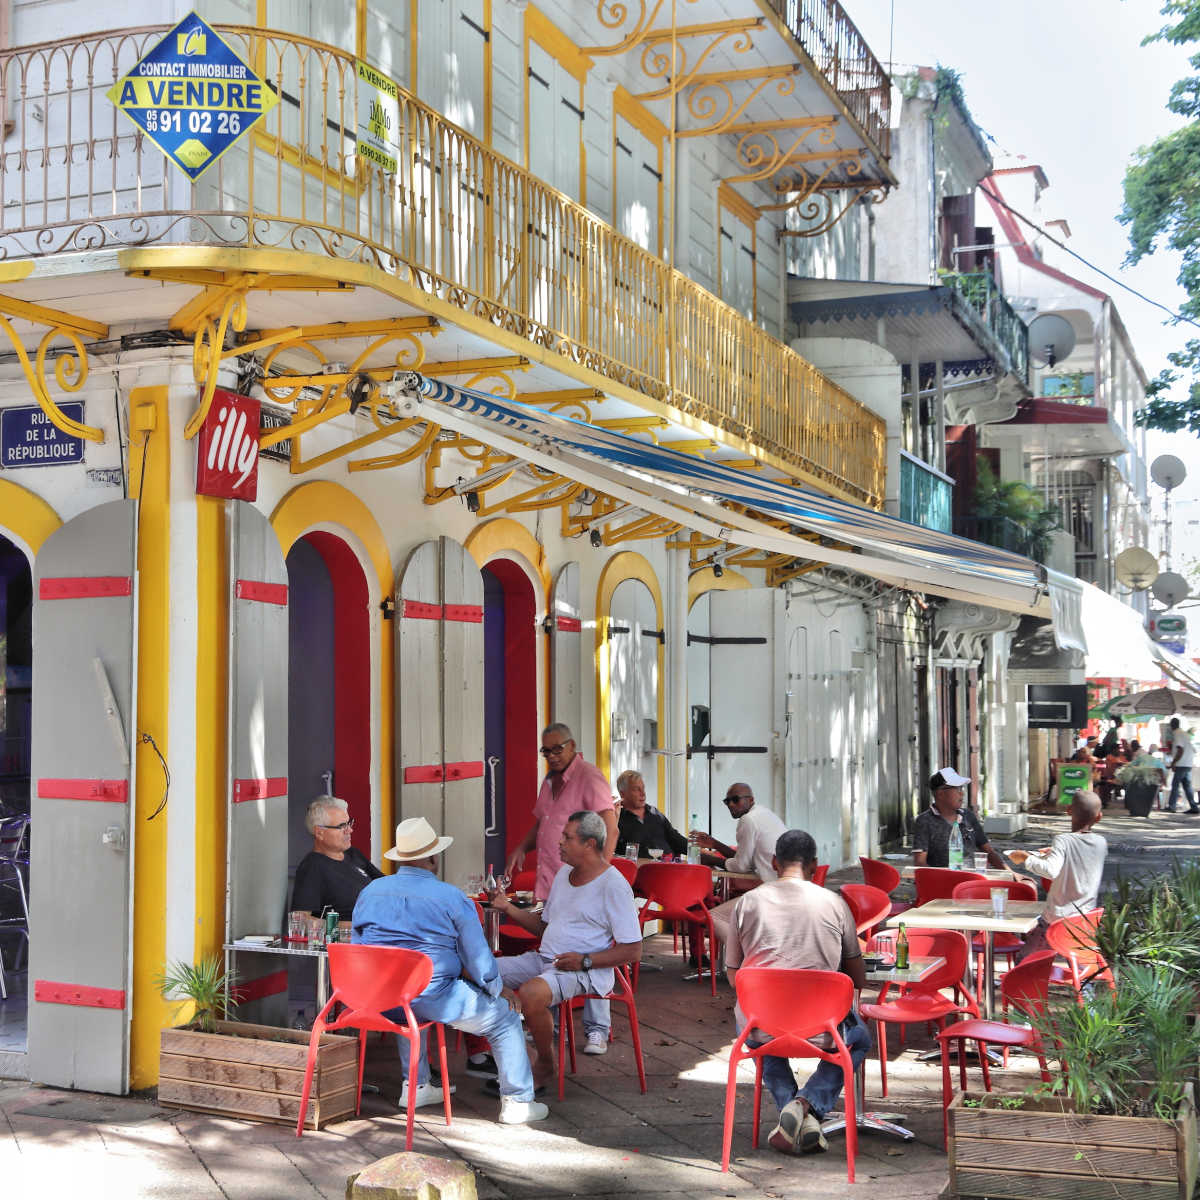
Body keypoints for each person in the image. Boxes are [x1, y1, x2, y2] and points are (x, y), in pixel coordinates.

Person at [351, 817, 548, 1125]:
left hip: (378, 997)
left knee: (405, 995)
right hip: (433, 995)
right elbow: (479, 960)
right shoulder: (451, 897)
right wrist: (498, 990)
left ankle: (414, 1086)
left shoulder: (370, 891)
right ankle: (518, 1102)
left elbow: (358, 947)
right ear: (432, 858)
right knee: (505, 1019)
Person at [724, 828, 870, 1156]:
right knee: (860, 1039)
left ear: (774, 862)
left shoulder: (746, 904)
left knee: (759, 1033)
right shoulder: (834, 904)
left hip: (760, 1027)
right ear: (816, 865)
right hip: (824, 1030)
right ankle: (806, 1105)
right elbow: (856, 977)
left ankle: (790, 1110)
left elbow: (734, 976)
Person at [489, 811, 641, 1091]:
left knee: (532, 992)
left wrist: (585, 960)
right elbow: (544, 928)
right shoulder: (563, 875)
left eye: (567, 838)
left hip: (586, 970)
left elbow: (633, 951)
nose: (559, 842)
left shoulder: (613, 885)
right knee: (477, 972)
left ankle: (545, 1064)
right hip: (545, 960)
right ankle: (523, 1056)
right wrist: (507, 907)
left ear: (590, 844)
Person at [506, 723, 619, 1054]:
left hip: (585, 879)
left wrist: (601, 872)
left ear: (572, 746)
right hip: (553, 882)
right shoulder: (549, 781)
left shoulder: (588, 776)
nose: (552, 756)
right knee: (554, 946)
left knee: (592, 944)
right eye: (546, 751)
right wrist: (519, 850)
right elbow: (542, 822)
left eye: (558, 749)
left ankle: (598, 1029)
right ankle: (550, 1022)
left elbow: (609, 825)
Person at [1008, 789, 1107, 957]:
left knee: (1026, 959)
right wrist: (1055, 852)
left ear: (1069, 810)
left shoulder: (1063, 840)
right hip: (1085, 920)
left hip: (1057, 919)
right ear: (1099, 817)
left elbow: (1051, 871)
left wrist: (1025, 858)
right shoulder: (1101, 843)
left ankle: (1026, 980)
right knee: (1076, 959)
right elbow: (1081, 858)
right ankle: (1083, 983)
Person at [689, 782, 788, 948]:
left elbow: (741, 867)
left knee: (714, 917)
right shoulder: (764, 814)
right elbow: (746, 860)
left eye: (735, 800)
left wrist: (711, 859)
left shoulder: (748, 820)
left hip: (773, 894)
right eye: (727, 801)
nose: (731, 805)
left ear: (750, 800)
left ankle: (744, 959)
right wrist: (715, 844)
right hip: (783, 888)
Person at [291, 795, 382, 917]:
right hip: (354, 934)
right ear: (319, 832)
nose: (350, 830)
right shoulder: (312, 866)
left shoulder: (353, 854)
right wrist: (354, 926)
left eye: (349, 823)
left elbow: (384, 884)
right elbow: (301, 919)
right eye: (342, 826)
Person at [912, 768, 1004, 869]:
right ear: (940, 793)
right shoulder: (925, 821)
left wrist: (1010, 873)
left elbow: (989, 852)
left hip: (970, 879)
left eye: (962, 788)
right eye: (957, 788)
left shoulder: (968, 816)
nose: (962, 793)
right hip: (943, 880)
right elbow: (920, 863)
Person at [616, 769, 687, 859]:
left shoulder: (654, 813)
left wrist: (701, 851)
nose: (643, 793)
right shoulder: (616, 819)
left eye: (643, 788)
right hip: (640, 870)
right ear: (622, 794)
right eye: (636, 789)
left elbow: (676, 839)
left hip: (669, 867)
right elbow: (608, 853)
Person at [1166, 717, 1197, 813]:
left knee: (1175, 784)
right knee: (1187, 786)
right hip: (1187, 763)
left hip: (1182, 763)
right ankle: (1194, 807)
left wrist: (1174, 763)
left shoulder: (1177, 734)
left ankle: (1172, 806)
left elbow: (1180, 750)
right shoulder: (1184, 733)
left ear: (1172, 726)